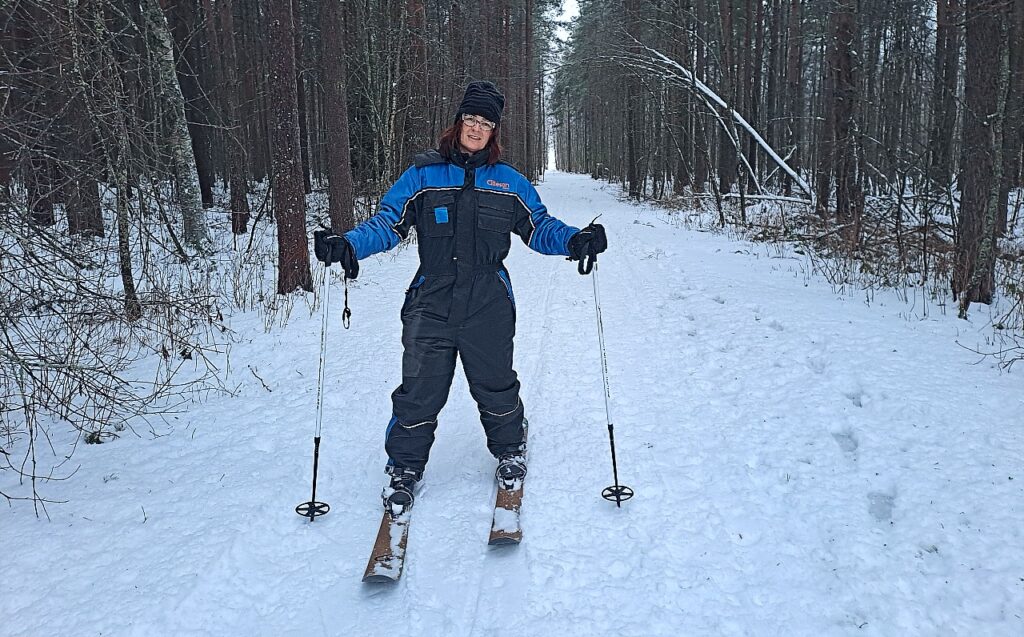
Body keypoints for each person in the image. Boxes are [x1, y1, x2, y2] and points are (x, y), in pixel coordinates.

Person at [314, 81, 607, 514]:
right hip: (430, 300)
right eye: (470, 118)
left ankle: (510, 448)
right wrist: (349, 244)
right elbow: (388, 222)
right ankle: (405, 466)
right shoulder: (423, 176)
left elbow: (539, 227)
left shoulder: (509, 183)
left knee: (495, 384)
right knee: (420, 389)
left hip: (489, 302)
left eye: (485, 123)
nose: (476, 128)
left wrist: (575, 240)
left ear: (494, 131)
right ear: (457, 122)